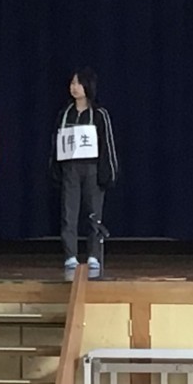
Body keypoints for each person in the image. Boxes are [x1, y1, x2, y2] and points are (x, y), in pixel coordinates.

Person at [50, 67, 118, 270]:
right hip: (70, 168)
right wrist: (55, 169)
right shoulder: (65, 114)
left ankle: (94, 255)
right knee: (68, 213)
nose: (75, 87)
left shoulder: (99, 114)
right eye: (72, 83)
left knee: (94, 213)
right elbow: (56, 143)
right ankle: (70, 255)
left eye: (79, 83)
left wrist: (108, 172)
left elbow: (107, 144)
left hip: (92, 169)